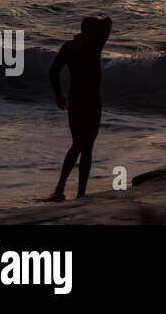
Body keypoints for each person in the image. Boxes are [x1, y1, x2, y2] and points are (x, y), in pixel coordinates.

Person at [48, 16, 112, 200]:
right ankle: (78, 193)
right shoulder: (95, 44)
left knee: (79, 144)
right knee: (85, 146)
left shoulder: (70, 47)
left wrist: (58, 95)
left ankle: (62, 188)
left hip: (76, 100)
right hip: (91, 101)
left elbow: (53, 72)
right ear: (93, 31)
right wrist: (89, 33)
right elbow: (108, 21)